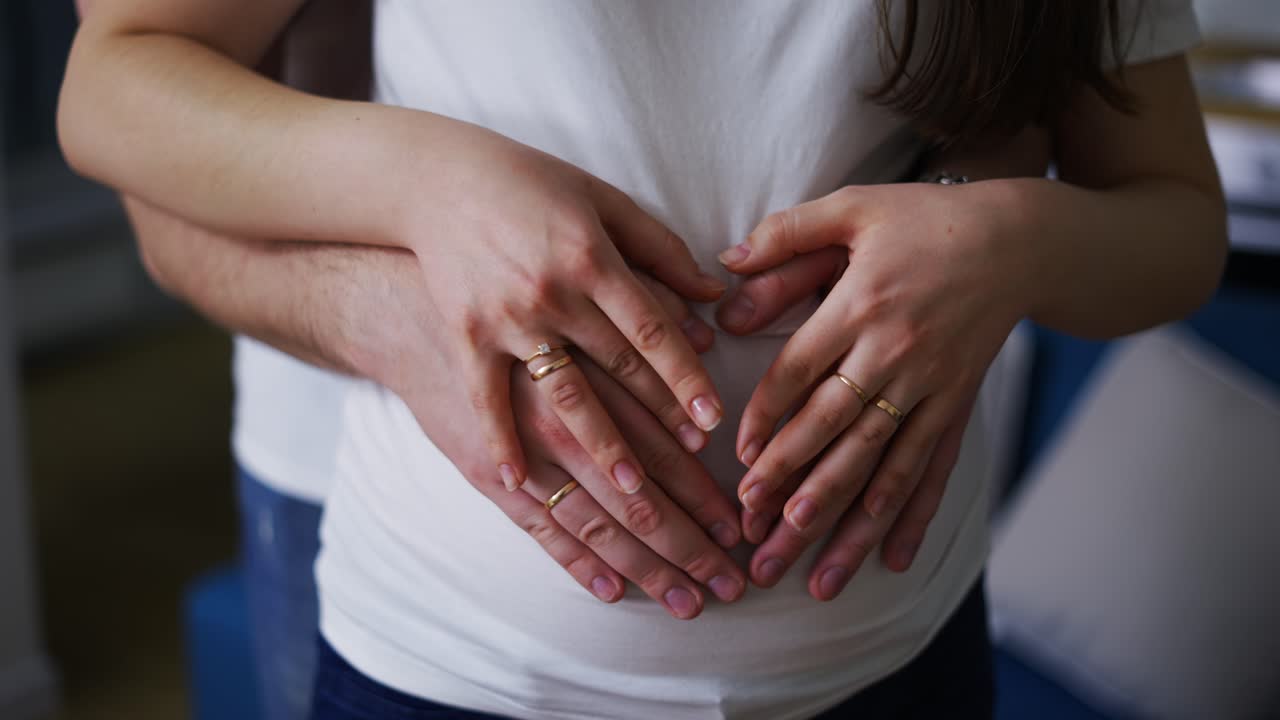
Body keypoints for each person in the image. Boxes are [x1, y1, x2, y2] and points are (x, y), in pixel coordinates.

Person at [57, 2, 1226, 718]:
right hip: (459, 669)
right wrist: (426, 179)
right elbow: (117, 77)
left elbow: (1173, 223)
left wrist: (1009, 240)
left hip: (898, 662)